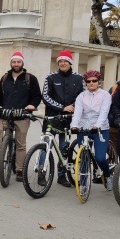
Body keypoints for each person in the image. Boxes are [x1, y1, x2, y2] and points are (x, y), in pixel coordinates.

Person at [0, 51, 42, 181]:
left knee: (21, 144)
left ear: (22, 63)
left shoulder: (30, 78)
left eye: (18, 62)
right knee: (1, 142)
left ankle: (20, 170)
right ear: (11, 63)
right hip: (5, 115)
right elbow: (1, 97)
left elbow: (37, 96)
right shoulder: (4, 78)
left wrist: (32, 105)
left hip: (22, 116)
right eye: (14, 62)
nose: (16, 64)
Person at [41, 50, 84, 187]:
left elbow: (82, 97)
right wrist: (62, 107)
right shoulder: (51, 77)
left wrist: (73, 107)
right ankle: (41, 172)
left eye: (65, 61)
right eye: (60, 61)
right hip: (52, 118)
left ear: (70, 63)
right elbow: (46, 96)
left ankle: (61, 175)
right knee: (45, 146)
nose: (63, 63)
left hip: (68, 119)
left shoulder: (79, 78)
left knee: (63, 148)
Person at [70, 70, 113, 190]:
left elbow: (104, 113)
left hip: (100, 129)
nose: (91, 83)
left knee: (100, 157)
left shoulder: (105, 95)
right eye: (88, 81)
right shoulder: (81, 96)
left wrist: (97, 125)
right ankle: (83, 184)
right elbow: (77, 112)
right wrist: (74, 126)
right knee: (83, 156)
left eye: (94, 81)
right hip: (84, 129)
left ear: (99, 82)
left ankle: (108, 175)